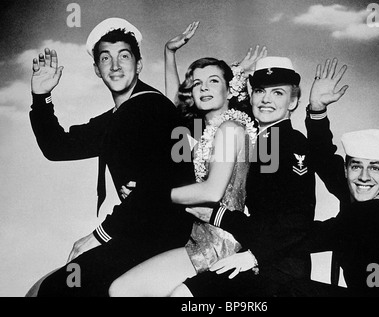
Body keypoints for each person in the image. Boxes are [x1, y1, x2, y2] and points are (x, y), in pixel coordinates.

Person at [27, 18, 196, 297]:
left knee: (60, 288)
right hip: (139, 230)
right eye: (106, 58)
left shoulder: (151, 108)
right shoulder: (120, 115)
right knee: (55, 285)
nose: (115, 66)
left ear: (139, 65)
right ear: (97, 69)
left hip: (164, 233)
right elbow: (58, 147)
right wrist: (41, 96)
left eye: (124, 56)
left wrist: (99, 235)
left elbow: (155, 187)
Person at [167, 56, 351, 297]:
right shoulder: (255, 136)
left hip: (278, 269)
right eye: (260, 91)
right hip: (253, 255)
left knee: (183, 296)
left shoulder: (289, 142)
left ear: (293, 101)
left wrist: (253, 256)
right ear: (250, 96)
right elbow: (182, 120)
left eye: (278, 93)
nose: (266, 99)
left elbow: (296, 220)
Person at [108, 24, 266, 297]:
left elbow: (211, 191)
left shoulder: (230, 129)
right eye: (197, 84)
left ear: (230, 90)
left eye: (213, 81)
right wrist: (169, 53)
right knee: (122, 290)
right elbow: (171, 106)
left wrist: (147, 195)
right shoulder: (206, 130)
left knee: (123, 291)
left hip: (220, 243)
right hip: (198, 238)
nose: (203, 88)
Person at [287, 129, 379, 297]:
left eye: (374, 168)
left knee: (290, 289)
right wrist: (317, 110)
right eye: (356, 166)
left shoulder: (371, 213)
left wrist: (257, 234)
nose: (364, 177)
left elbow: (304, 237)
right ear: (346, 170)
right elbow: (325, 161)